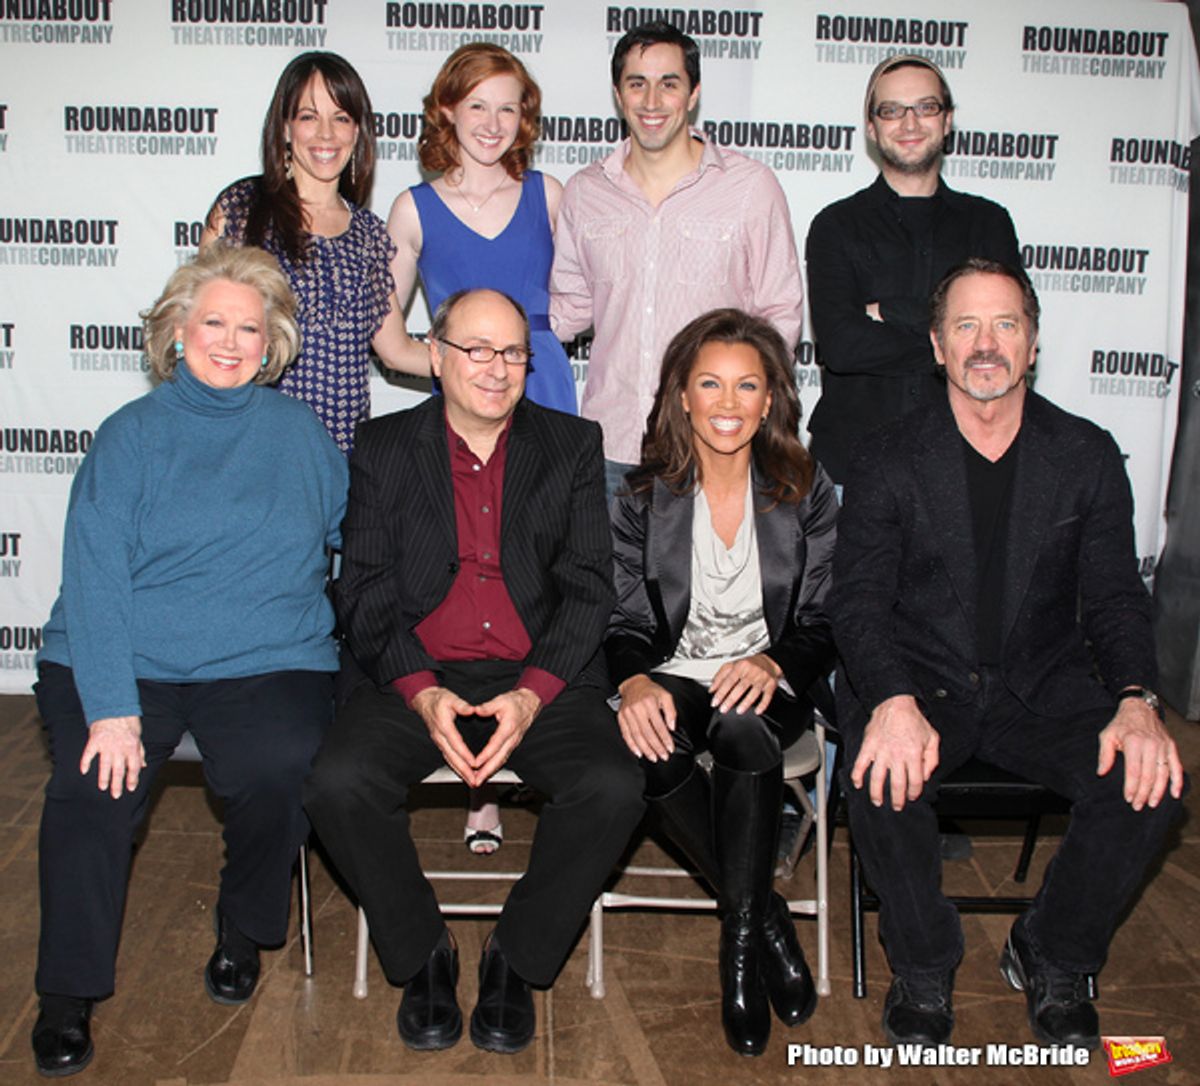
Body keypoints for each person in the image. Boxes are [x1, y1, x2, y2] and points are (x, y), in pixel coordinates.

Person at [831, 259, 1186, 1051]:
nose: (985, 345)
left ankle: (1054, 951)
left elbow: (1116, 597)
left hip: (1041, 686)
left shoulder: (1086, 453)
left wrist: (1136, 699)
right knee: (880, 772)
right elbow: (855, 602)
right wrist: (889, 701)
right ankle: (924, 965)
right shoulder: (888, 454)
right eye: (965, 326)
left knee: (1152, 784)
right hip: (920, 684)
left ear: (1032, 343)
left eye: (1005, 325)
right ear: (936, 345)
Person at [30, 244, 347, 1077]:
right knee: (97, 786)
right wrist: (110, 705)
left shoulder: (302, 435)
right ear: (176, 333)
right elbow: (94, 577)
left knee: (280, 765)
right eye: (214, 323)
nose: (232, 342)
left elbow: (356, 542)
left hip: (266, 655)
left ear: (274, 341)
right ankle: (66, 993)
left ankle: (242, 930)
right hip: (122, 654)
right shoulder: (130, 437)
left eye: (251, 327)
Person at [303, 288, 644, 1055]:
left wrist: (532, 695)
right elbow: (362, 588)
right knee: (337, 783)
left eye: (513, 352)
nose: (497, 368)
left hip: (538, 673)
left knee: (614, 786)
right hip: (417, 671)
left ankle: (515, 956)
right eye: (476, 350)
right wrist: (422, 695)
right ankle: (423, 949)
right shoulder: (383, 447)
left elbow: (592, 585)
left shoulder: (572, 443)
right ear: (435, 354)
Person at [607, 309, 837, 1056]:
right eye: (710, 383)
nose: (729, 402)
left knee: (742, 726)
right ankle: (765, 916)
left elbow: (825, 618)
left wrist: (774, 663)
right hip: (676, 673)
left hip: (767, 679)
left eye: (747, 385)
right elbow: (625, 620)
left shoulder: (806, 491)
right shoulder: (644, 496)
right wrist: (637, 681)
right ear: (682, 396)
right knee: (645, 741)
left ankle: (735, 952)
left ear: (771, 398)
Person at [387, 43, 577, 850]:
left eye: (509, 107)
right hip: (463, 403)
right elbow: (385, 335)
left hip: (545, 396)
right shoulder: (412, 208)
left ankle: (546, 745)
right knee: (471, 578)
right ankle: (477, 783)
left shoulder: (553, 195)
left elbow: (584, 297)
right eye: (477, 106)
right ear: (447, 112)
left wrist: (536, 349)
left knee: (542, 576)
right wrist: (452, 364)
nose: (493, 123)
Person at [550, 20, 804, 492]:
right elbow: (567, 310)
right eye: (636, 84)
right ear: (617, 93)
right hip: (610, 450)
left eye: (669, 84)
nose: (651, 101)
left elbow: (779, 315)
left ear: (693, 94)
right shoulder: (585, 192)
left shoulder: (749, 187)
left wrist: (748, 414)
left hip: (712, 449)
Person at [805, 54, 1020, 486]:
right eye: (891, 110)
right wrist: (955, 338)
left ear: (947, 120)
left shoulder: (988, 223)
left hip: (964, 468)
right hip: (852, 471)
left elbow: (1000, 340)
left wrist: (889, 311)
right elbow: (843, 346)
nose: (909, 123)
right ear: (872, 126)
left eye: (925, 107)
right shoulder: (836, 225)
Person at [203, 51, 428, 455]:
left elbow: (396, 350)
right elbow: (198, 328)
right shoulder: (241, 209)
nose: (326, 134)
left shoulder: (367, 236)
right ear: (286, 128)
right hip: (250, 449)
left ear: (358, 132)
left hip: (338, 461)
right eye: (308, 116)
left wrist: (479, 360)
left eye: (341, 118)